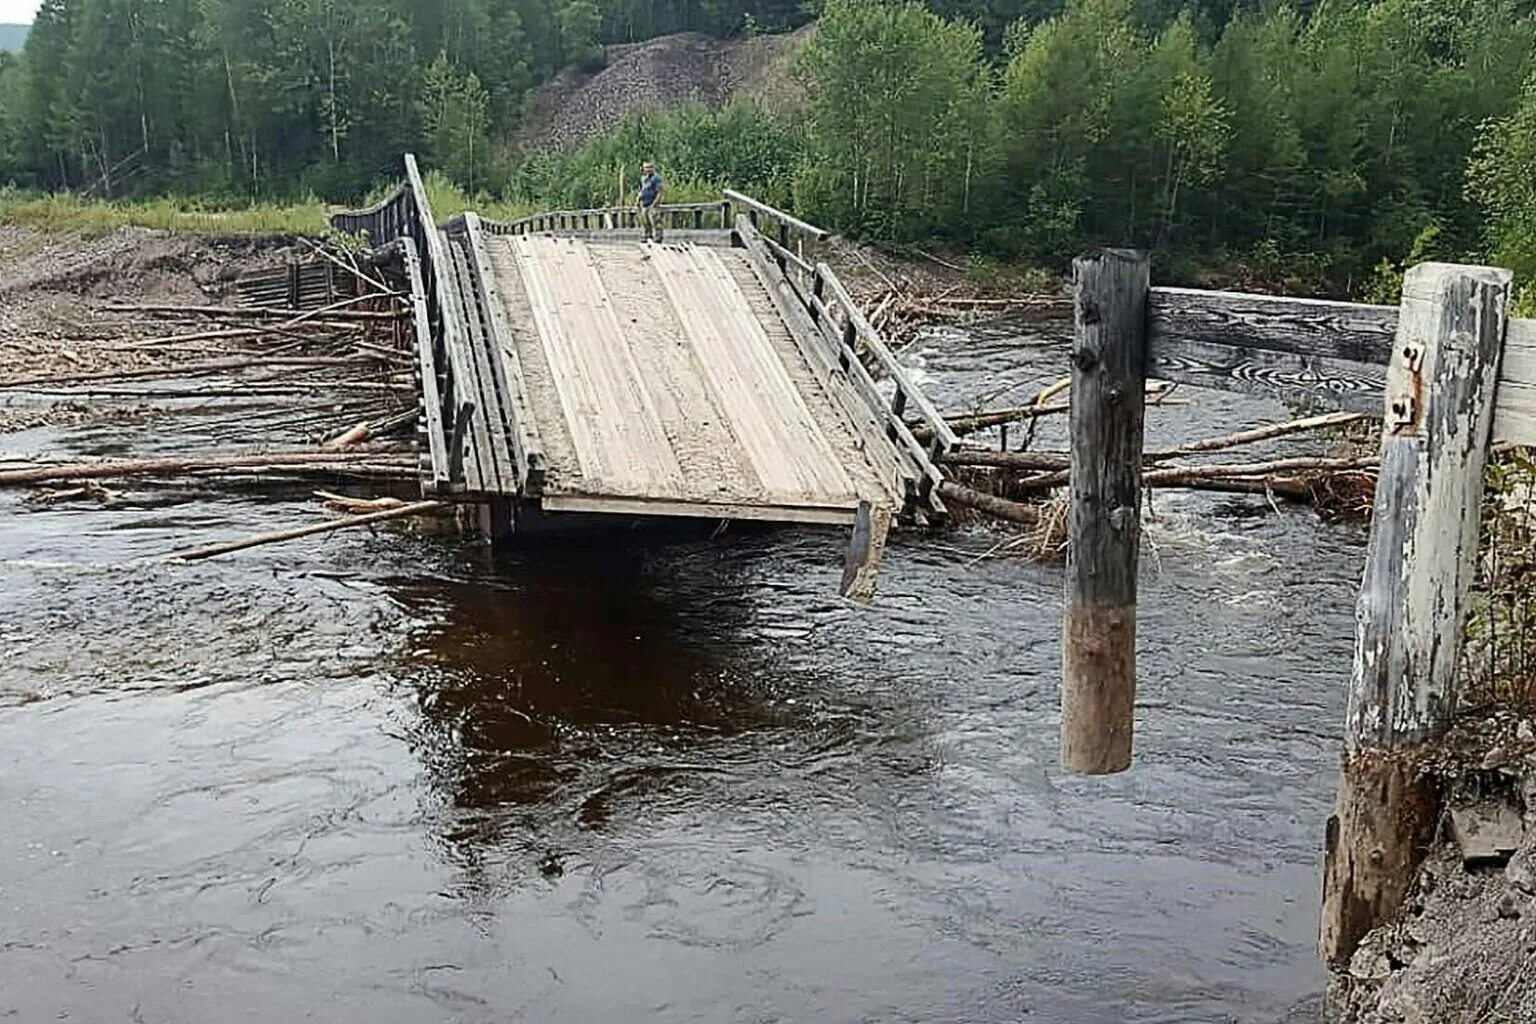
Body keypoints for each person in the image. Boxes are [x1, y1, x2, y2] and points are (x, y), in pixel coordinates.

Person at [636, 161, 665, 243]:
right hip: (644, 203)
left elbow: (660, 192)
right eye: (646, 167)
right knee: (645, 221)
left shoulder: (656, 178)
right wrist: (638, 198)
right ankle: (647, 236)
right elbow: (642, 190)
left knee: (655, 221)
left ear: (653, 168)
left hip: (653, 203)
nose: (648, 169)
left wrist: (655, 203)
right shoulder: (644, 179)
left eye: (649, 167)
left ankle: (658, 237)